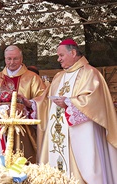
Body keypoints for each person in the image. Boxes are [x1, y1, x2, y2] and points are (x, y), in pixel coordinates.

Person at [25, 38, 117, 183]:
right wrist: (31, 103)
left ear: (73, 53)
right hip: (58, 132)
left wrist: (69, 102)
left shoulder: (90, 73)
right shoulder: (58, 76)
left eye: (61, 55)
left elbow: (95, 102)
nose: (58, 59)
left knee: (84, 166)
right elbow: (45, 101)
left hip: (81, 133)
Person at [0, 45, 46, 163]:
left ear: (21, 59)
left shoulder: (33, 78)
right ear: (4, 59)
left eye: (15, 59)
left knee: (24, 160)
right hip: (0, 127)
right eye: (8, 59)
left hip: (24, 129)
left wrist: (29, 103)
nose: (11, 62)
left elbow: (44, 101)